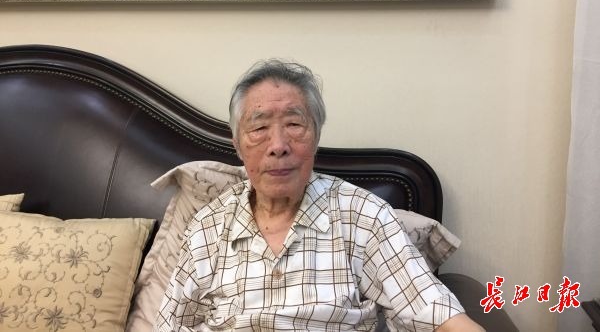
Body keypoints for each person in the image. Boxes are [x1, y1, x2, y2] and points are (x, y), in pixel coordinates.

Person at [155, 59, 484, 332]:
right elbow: (171, 325)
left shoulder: (364, 216)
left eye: (294, 124)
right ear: (238, 145)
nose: (278, 145)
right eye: (259, 128)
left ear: (315, 136)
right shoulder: (208, 228)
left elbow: (437, 314)